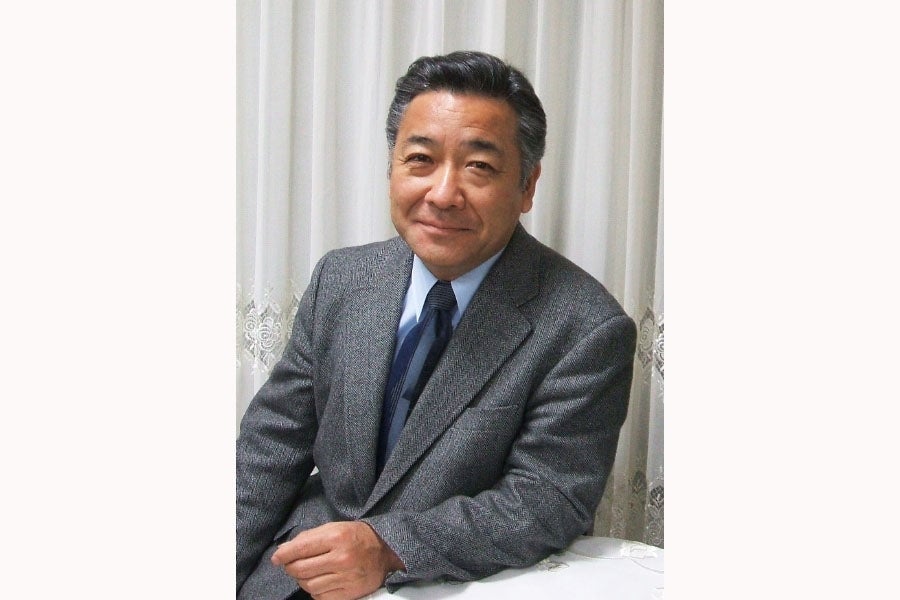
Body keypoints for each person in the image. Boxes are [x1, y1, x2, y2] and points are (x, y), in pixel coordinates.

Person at [237, 50, 637, 600]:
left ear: (527, 186)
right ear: (392, 168)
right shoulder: (342, 279)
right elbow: (269, 450)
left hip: (448, 583)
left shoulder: (585, 328)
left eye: (479, 167)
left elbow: (546, 499)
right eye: (421, 159)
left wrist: (388, 547)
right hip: (296, 570)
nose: (443, 194)